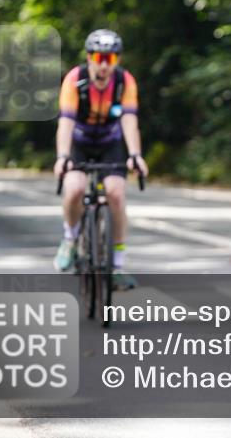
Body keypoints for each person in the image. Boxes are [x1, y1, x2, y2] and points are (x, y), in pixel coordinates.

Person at [53, 29, 149, 290]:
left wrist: (135, 155)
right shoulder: (74, 80)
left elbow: (129, 120)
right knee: (74, 189)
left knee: (116, 194)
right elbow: (65, 122)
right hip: (80, 142)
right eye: (98, 57)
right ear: (89, 57)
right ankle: (70, 240)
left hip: (110, 142)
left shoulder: (124, 82)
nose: (104, 64)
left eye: (111, 58)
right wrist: (62, 156)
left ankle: (116, 265)